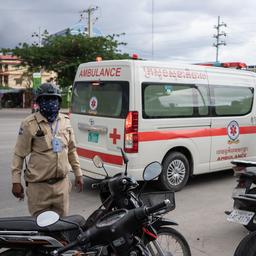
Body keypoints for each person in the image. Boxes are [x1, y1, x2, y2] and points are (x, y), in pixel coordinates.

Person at [11, 83, 84, 217]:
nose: (50, 103)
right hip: (39, 188)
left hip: (61, 186)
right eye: (46, 99)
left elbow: (71, 150)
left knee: (61, 228)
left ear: (58, 101)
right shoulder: (29, 124)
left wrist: (78, 173)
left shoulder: (65, 121)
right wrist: (16, 181)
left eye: (54, 99)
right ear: (39, 102)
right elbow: (19, 154)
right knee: (41, 230)